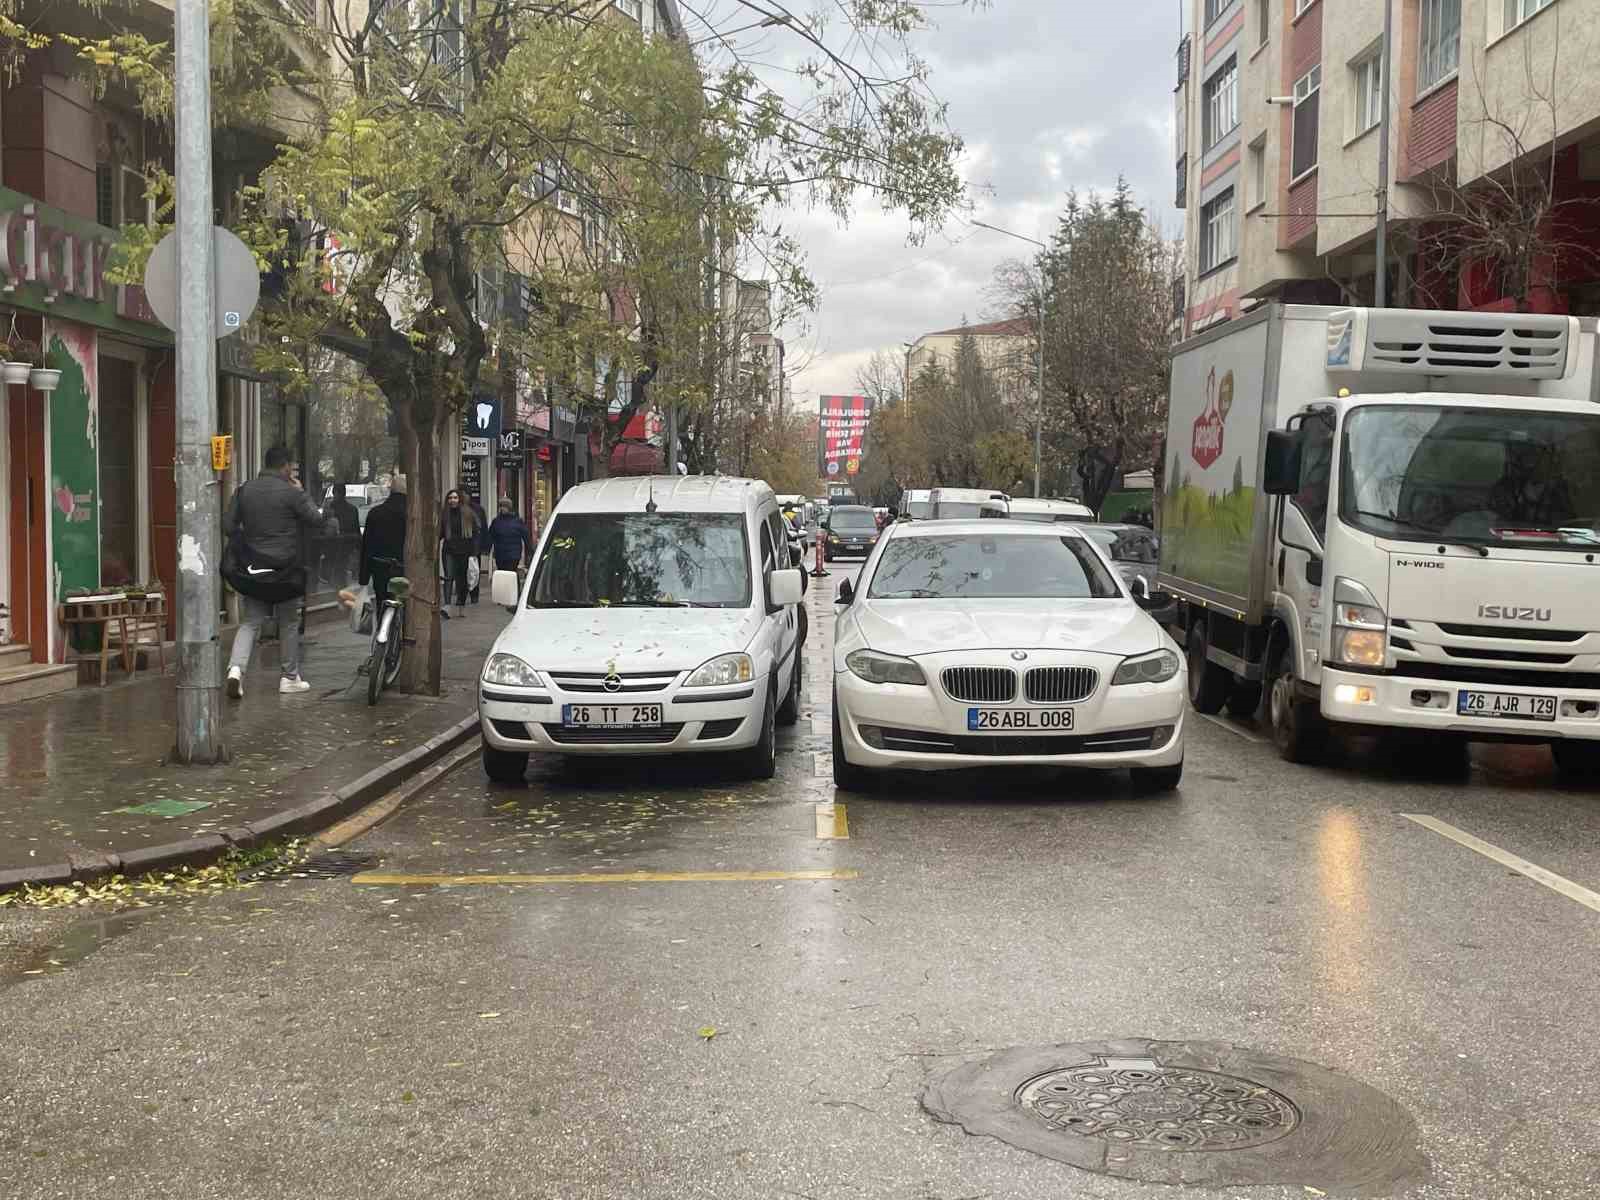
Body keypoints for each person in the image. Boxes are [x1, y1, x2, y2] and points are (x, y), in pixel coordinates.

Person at [224, 445, 326, 698]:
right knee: (289, 622)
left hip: (254, 569)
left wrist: (247, 545)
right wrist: (301, 493)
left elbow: (228, 526)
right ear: (285, 467)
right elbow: (316, 519)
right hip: (285, 571)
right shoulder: (292, 493)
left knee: (250, 622)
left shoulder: (245, 490)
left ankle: (236, 669)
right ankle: (289, 678)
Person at [360, 475, 408, 613]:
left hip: (380, 569)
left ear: (390, 490)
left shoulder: (375, 513)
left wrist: (364, 578)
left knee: (383, 606)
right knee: (403, 608)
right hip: (404, 568)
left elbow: (367, 546)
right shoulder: (412, 514)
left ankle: (384, 630)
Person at [439, 487, 481, 620]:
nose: (452, 500)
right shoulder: (444, 515)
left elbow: (475, 534)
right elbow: (439, 533)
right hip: (449, 551)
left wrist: (474, 553)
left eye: (455, 498)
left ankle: (461, 606)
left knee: (462, 580)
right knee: (448, 577)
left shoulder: (468, 513)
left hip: (465, 551)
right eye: (450, 498)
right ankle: (447, 606)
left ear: (460, 499)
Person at [488, 496, 534, 572]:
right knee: (502, 573)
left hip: (513, 555)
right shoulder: (496, 522)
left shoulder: (517, 521)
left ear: (509, 508)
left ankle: (515, 583)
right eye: (501, 506)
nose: (502, 508)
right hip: (500, 554)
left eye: (504, 506)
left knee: (511, 572)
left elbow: (526, 536)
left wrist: (530, 550)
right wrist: (487, 550)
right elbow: (490, 536)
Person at [467, 492, 489, 603]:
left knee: (474, 571)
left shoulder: (478, 509)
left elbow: (484, 528)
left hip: (475, 546)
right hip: (460, 547)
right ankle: (463, 593)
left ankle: (474, 594)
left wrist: (485, 546)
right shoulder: (456, 508)